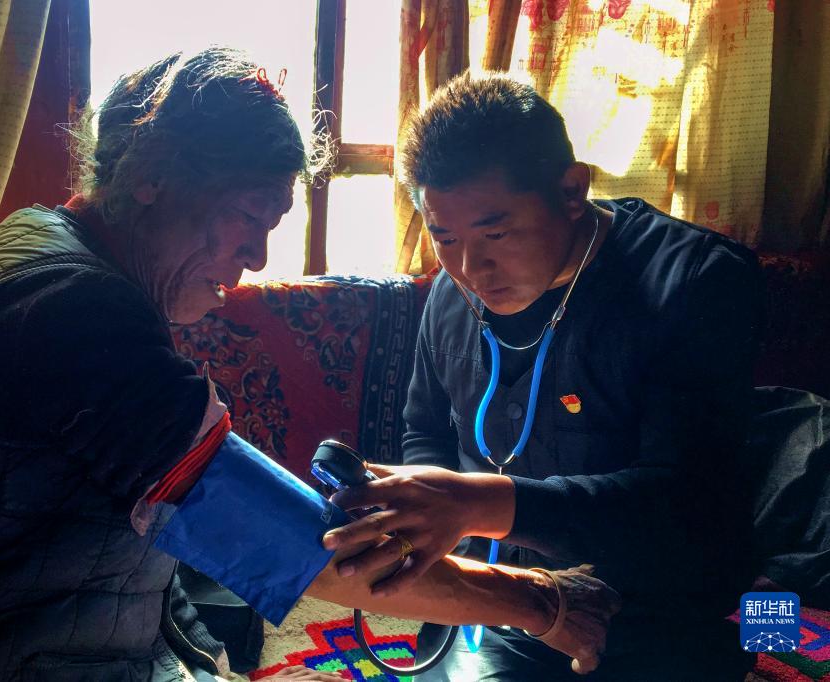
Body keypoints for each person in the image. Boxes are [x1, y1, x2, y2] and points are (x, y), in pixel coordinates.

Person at [0, 50, 617, 680]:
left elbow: (164, 537)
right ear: (152, 176)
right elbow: (284, 542)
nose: (257, 257)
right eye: (246, 216)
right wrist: (538, 600)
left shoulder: (47, 250)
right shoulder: (71, 310)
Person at [321, 74, 763, 680]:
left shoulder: (695, 285)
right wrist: (432, 529)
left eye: (496, 233)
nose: (471, 268)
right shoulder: (451, 295)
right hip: (498, 605)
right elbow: (425, 429)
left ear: (572, 190)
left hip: (656, 612)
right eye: (444, 237)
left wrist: (474, 503)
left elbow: (685, 503)